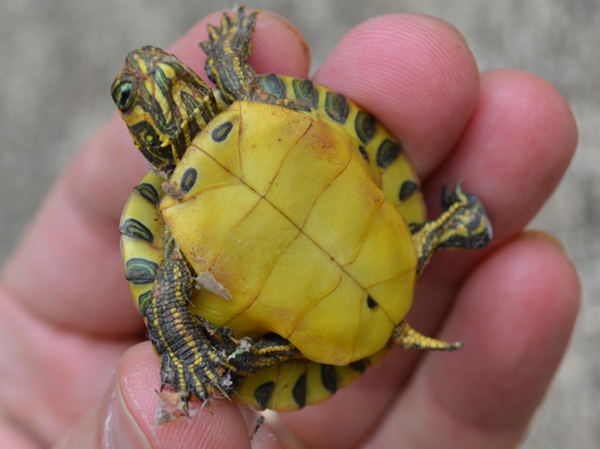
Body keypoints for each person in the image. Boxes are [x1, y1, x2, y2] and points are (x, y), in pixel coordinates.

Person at [0, 9, 579, 449]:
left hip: (344, 277)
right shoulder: (219, 145)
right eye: (130, 96)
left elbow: (168, 298)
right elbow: (169, 309)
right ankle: (442, 232)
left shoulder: (240, 114)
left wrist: (187, 354)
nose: (146, 75)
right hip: (340, 289)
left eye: (162, 68)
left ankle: (437, 237)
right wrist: (183, 351)